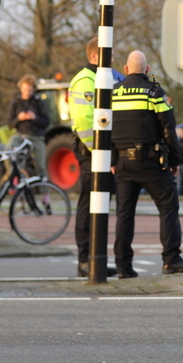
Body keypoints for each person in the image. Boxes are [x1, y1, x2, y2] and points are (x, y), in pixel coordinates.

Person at [110, 50, 183, 278]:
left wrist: (112, 160)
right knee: (168, 207)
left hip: (122, 164)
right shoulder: (154, 92)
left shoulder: (113, 94)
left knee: (124, 214)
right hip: (151, 162)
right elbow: (169, 128)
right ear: (147, 70)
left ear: (126, 70)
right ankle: (171, 259)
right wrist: (175, 160)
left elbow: (105, 129)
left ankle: (123, 266)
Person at [69, 37, 116, 278]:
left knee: (101, 208)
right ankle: (85, 260)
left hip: (106, 154)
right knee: (89, 205)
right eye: (110, 53)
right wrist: (99, 152)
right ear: (95, 56)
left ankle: (96, 257)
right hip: (92, 153)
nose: (114, 58)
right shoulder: (84, 81)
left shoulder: (109, 78)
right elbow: (84, 120)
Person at [8, 75, 48, 177]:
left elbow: (46, 122)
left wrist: (35, 118)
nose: (27, 92)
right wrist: (19, 119)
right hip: (20, 135)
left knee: (41, 164)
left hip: (36, 136)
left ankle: (44, 189)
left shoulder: (39, 102)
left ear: (34, 89)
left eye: (30, 90)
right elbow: (10, 124)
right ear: (21, 88)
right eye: (25, 90)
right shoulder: (16, 103)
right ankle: (13, 178)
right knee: (7, 152)